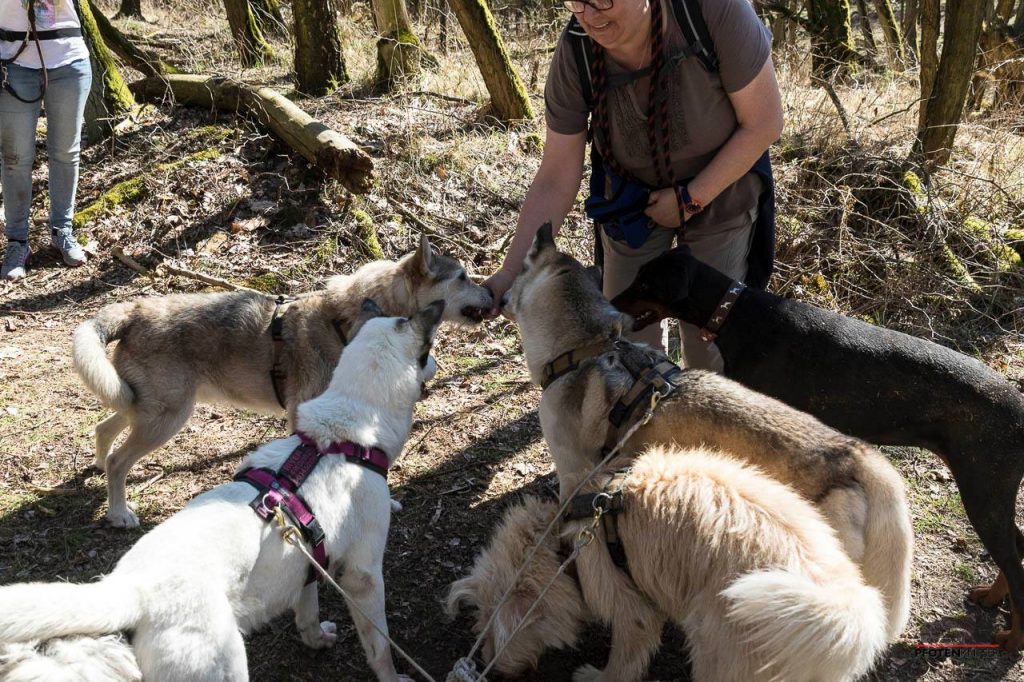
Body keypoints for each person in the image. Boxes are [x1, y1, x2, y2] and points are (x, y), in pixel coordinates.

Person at [484, 0, 784, 371]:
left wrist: (691, 198)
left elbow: (764, 122)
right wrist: (512, 272)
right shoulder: (577, 49)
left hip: (723, 191)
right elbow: (555, 176)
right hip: (632, 207)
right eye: (576, 2)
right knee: (625, 346)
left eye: (602, 0)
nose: (589, 14)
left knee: (710, 348)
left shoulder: (712, 12)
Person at [1, 0, 91, 281]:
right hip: (12, 62)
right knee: (15, 158)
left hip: (69, 60)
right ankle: (17, 243)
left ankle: (62, 231)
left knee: (66, 152)